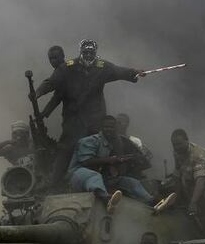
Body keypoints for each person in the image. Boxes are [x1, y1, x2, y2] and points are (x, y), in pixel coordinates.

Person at [34, 39, 146, 186]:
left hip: (95, 117)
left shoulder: (102, 67)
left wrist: (134, 73)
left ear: (95, 53)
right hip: (73, 118)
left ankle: (108, 180)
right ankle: (56, 183)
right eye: (85, 52)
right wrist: (37, 93)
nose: (88, 55)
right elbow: (52, 82)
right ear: (80, 52)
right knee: (66, 148)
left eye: (91, 52)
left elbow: (119, 71)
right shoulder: (68, 67)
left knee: (101, 147)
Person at [68, 116, 174, 214]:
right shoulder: (90, 141)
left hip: (100, 176)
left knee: (129, 182)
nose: (109, 129)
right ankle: (107, 200)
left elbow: (113, 165)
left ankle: (153, 202)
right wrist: (111, 160)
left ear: (116, 128)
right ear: (102, 127)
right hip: (78, 174)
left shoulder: (113, 143)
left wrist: (122, 161)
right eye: (106, 127)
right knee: (94, 176)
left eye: (112, 127)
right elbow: (86, 162)